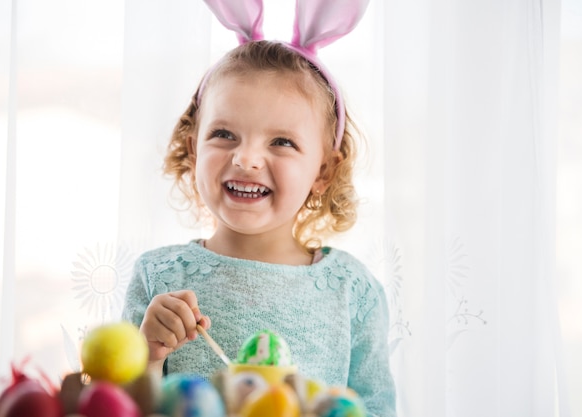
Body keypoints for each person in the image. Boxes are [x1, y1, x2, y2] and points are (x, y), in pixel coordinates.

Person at [122, 2, 396, 416]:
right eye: (224, 134)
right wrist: (147, 356)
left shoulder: (354, 294)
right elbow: (117, 406)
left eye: (281, 142)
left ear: (323, 170)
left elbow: (376, 408)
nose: (246, 158)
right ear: (193, 149)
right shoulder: (157, 279)